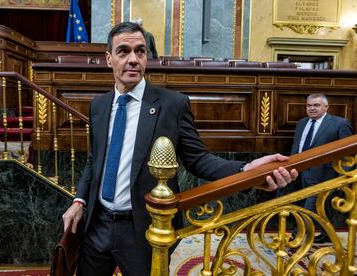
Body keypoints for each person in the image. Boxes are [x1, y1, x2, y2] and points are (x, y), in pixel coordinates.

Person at [62, 21, 298, 276]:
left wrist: (246, 169)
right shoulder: (99, 105)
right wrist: (80, 200)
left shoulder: (172, 104)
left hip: (144, 229)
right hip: (98, 226)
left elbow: (198, 160)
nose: (133, 59)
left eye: (140, 51)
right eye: (123, 51)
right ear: (109, 59)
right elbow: (94, 161)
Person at [289, 93, 354, 243]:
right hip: (300, 173)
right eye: (309, 105)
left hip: (324, 175)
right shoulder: (302, 123)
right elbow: (297, 147)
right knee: (320, 207)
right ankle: (327, 234)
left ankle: (296, 237)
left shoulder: (339, 123)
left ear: (326, 107)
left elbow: (349, 152)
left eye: (316, 105)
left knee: (308, 207)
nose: (312, 108)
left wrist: (344, 177)